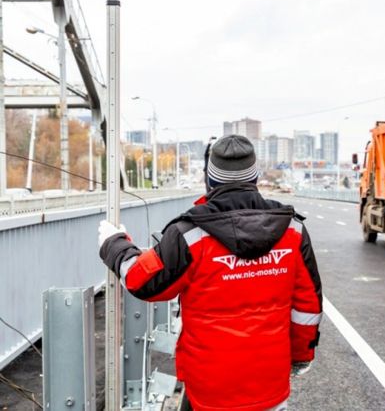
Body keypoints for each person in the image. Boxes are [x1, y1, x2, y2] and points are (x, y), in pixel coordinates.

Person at [98, 135, 322, 411]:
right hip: (270, 385)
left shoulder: (190, 234)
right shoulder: (292, 230)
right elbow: (307, 307)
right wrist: (300, 356)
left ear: (211, 179)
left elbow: (142, 280)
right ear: (255, 177)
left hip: (209, 389)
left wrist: (114, 243)